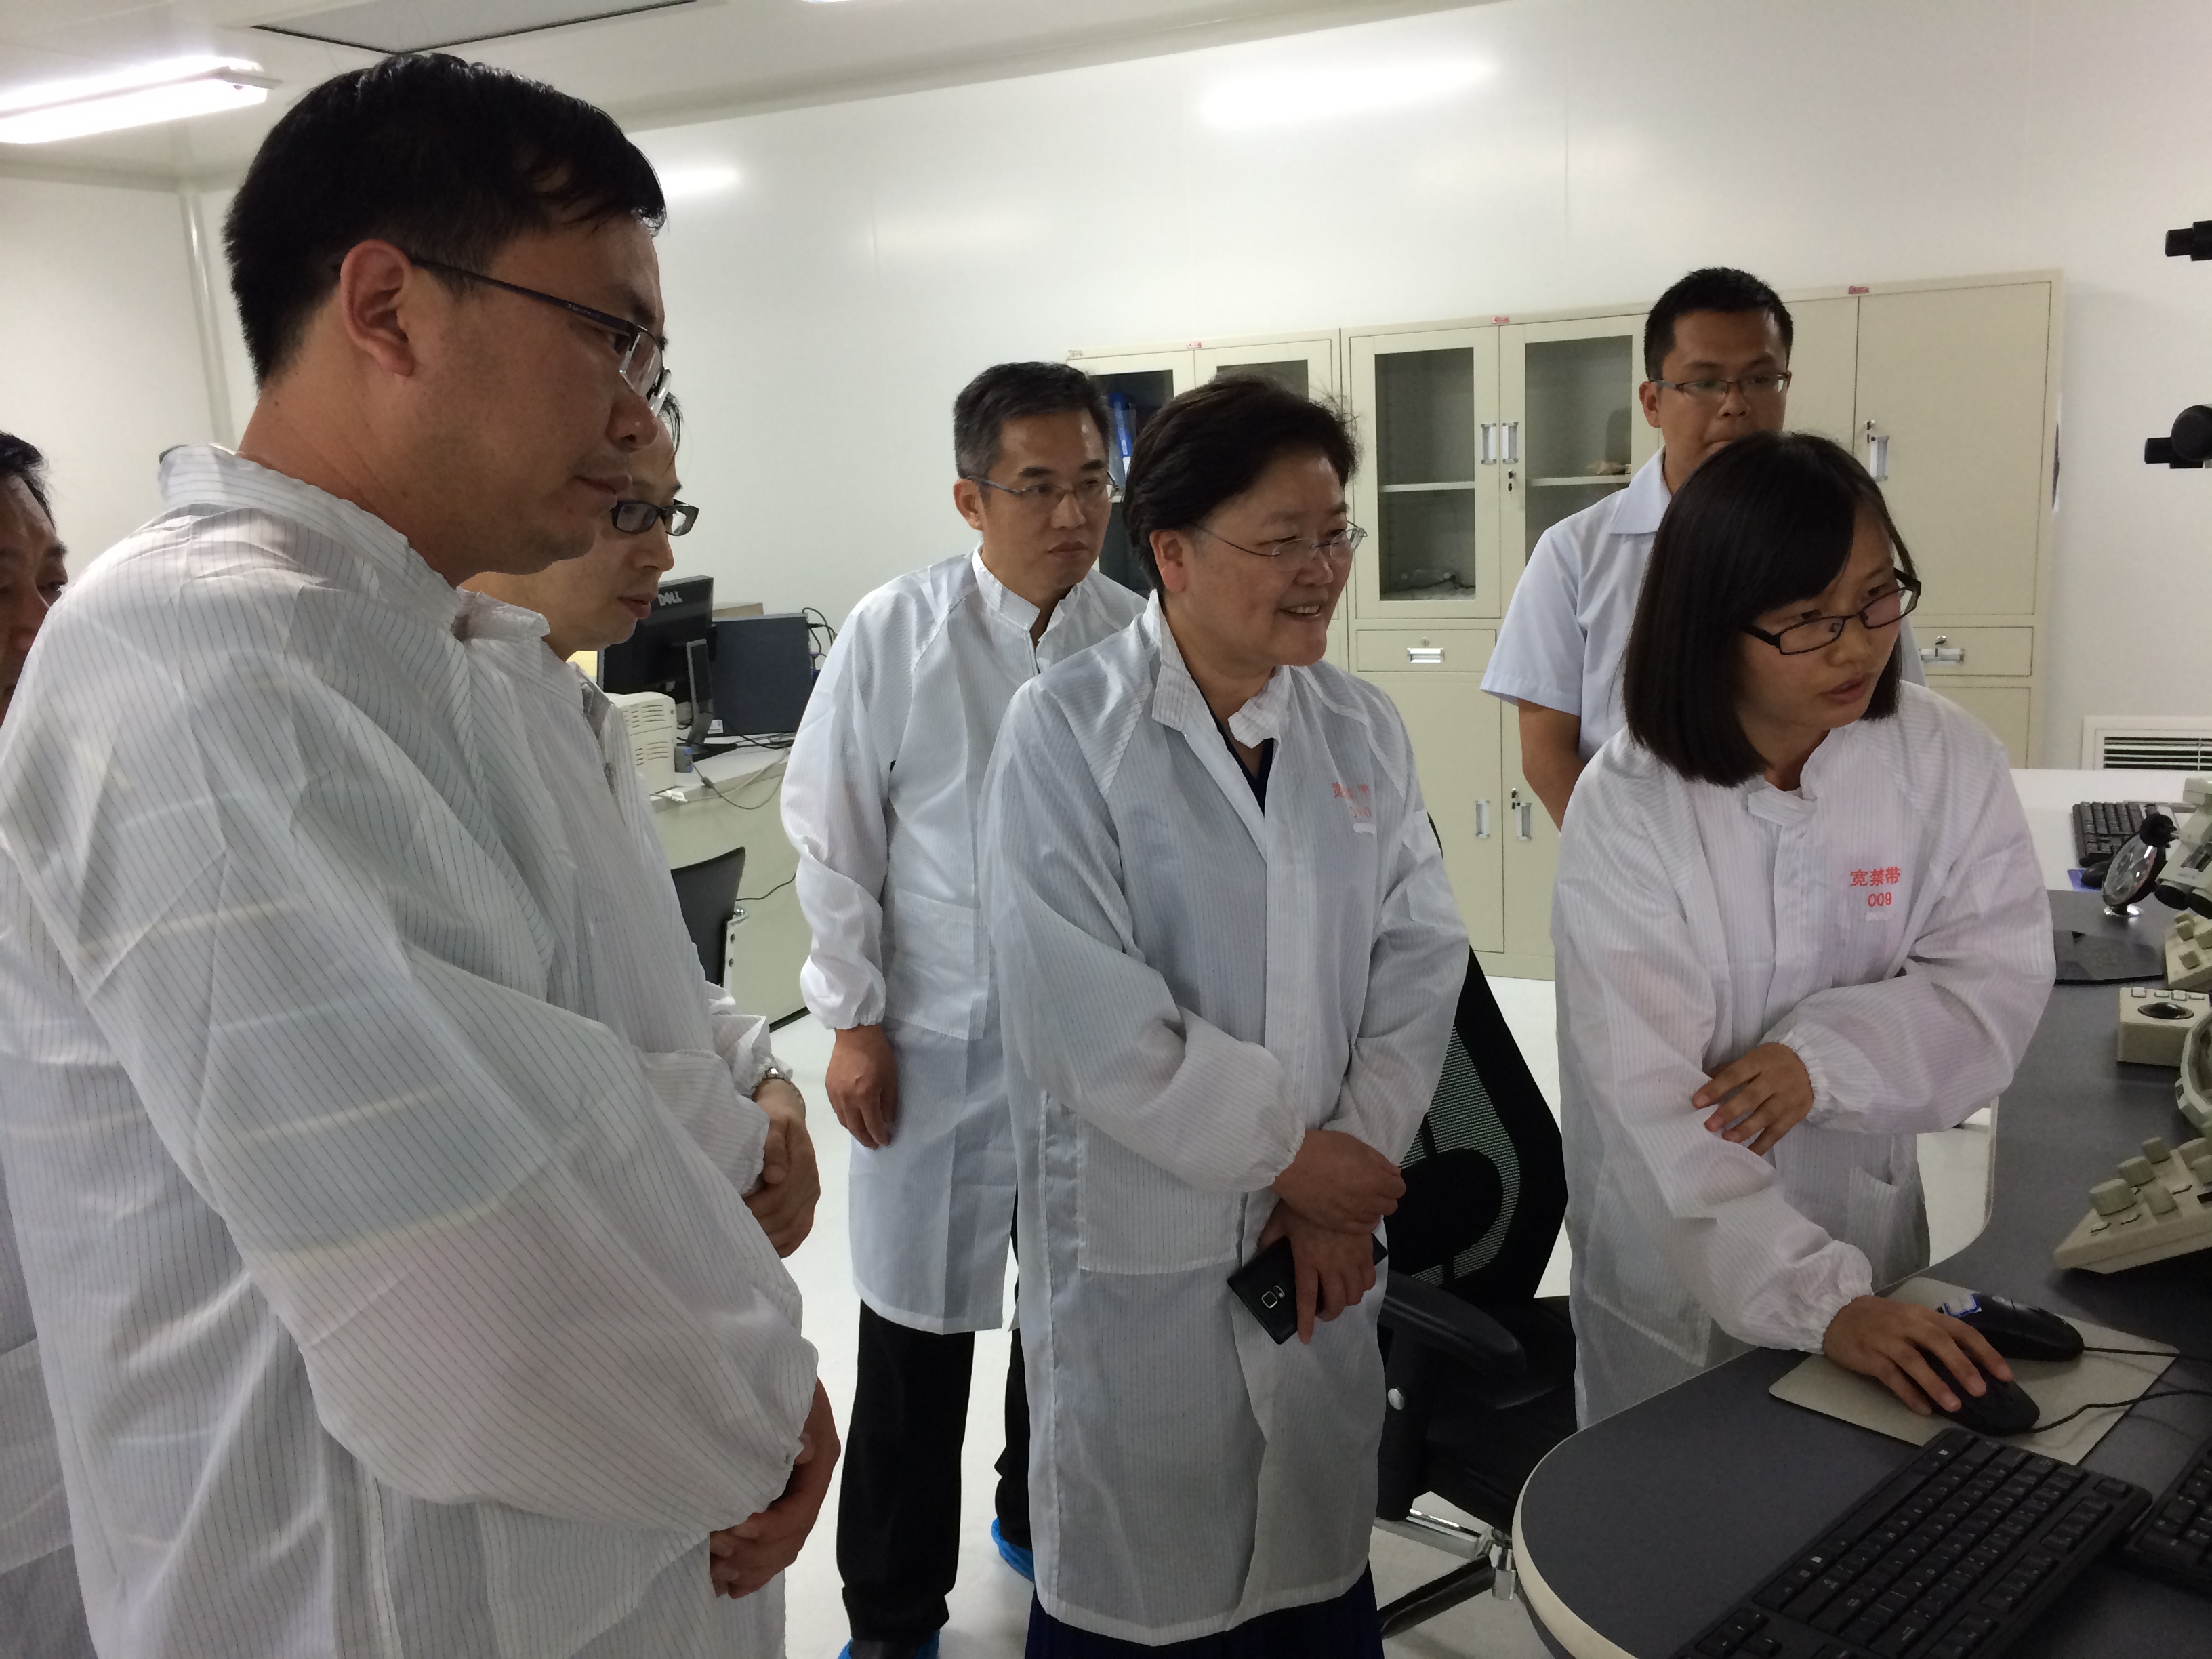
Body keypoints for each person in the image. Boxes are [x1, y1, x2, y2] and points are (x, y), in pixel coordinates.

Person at [0, 56, 830, 1658]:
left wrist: (732, 1167)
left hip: (630, 1546)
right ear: (387, 309)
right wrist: (762, 1412)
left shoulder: (464, 654)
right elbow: (472, 1301)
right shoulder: (195, 665)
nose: (638, 416)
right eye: (613, 336)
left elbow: (618, 1049)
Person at [979, 376, 1467, 1654]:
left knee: (1310, 1567)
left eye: (1335, 534)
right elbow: (1088, 1024)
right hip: (1154, 1248)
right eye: (1283, 539)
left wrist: (1343, 1167)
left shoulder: (1359, 726)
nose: (1322, 570)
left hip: (1321, 1244)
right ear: (1174, 552)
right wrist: (1296, 1160)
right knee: (1149, 1586)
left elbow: (1419, 956)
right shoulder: (1063, 734)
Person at [1553, 430, 2052, 1429]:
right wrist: (1823, 1304)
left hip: (1871, 1230)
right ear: (1710, 624)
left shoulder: (1945, 760)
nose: (1858, 646)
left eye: (1877, 598)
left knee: (1865, 1499)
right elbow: (1652, 1099)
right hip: (1679, 1265)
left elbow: (1991, 986)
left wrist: (1819, 1063)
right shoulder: (1632, 805)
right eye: (1808, 621)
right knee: (1684, 1502)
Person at [782, 360, 1143, 1659]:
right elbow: (833, 833)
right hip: (935, 1041)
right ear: (969, 498)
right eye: (1036, 486)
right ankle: (890, 1614)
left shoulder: (1133, 636)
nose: (1071, 513)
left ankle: (1035, 1519)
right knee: (912, 1338)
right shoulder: (898, 632)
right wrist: (852, 1019)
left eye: (1090, 482)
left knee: (1073, 1310)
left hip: (1092, 1051)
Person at [465, 396, 821, 1265]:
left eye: (668, 514)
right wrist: (747, 1141)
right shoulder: (457, 726)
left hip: (672, 1232)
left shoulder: (583, 709)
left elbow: (659, 973)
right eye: (627, 511)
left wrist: (766, 1079)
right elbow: (540, 1063)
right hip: (582, 1250)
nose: (662, 552)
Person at [1483, 266, 1924, 828]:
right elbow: (1547, 752)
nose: (1736, 405)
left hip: (1829, 846)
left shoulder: (1845, 540)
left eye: (1761, 379)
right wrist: (1617, 859)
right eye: (1706, 383)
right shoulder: (1574, 554)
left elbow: (1895, 714)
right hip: (1643, 848)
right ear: (1652, 402)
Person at [0, 432, 96, 1658]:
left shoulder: (68, 823)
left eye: (52, 583)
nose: (38, 626)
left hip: (92, 1488)